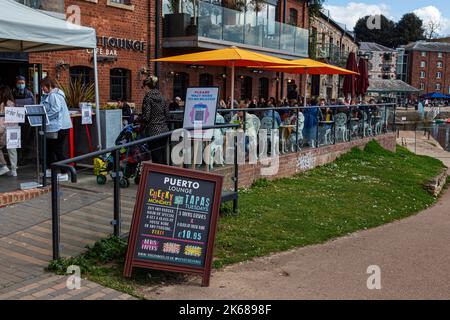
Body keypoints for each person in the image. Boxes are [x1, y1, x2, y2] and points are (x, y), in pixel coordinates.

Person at [41, 77, 72, 181]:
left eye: (43, 87)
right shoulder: (54, 94)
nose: (42, 89)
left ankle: (64, 173)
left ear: (48, 86)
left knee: (57, 149)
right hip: (58, 126)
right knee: (50, 148)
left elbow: (55, 109)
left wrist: (44, 116)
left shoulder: (53, 95)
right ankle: (50, 169)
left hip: (60, 127)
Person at [140, 75, 170, 165]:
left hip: (153, 131)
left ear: (146, 86)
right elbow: (167, 115)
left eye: (142, 87)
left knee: (156, 156)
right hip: (164, 131)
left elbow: (146, 117)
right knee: (163, 155)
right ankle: (165, 175)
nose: (143, 90)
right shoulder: (162, 97)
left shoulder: (148, 98)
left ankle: (158, 176)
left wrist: (138, 119)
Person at [0, 86, 18, 176]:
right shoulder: (13, 103)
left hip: (5, 131)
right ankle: (14, 170)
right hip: (14, 130)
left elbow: (2, 120)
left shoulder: (3, 104)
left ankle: (3, 166)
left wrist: (0, 130)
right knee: (12, 150)